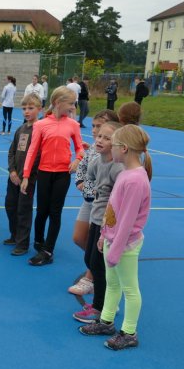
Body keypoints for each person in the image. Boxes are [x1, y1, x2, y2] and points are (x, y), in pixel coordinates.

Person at [77, 124, 152, 351]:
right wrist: (103, 235)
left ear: (124, 149)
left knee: (129, 289)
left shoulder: (135, 180)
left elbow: (127, 220)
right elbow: (113, 208)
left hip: (126, 244)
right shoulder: (125, 174)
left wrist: (116, 249)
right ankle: (106, 321)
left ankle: (129, 331)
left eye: (115, 144)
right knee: (112, 284)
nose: (112, 149)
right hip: (111, 239)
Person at [21, 86, 84, 266]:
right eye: (70, 103)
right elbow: (32, 151)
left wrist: (78, 160)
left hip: (63, 174)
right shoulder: (41, 125)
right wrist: (26, 176)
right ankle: (39, 242)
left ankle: (48, 250)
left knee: (55, 212)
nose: (73, 107)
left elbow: (80, 148)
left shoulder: (73, 124)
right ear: (58, 103)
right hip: (44, 173)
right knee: (42, 211)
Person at [73, 121, 124, 326]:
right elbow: (89, 176)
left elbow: (120, 198)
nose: (99, 140)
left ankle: (101, 307)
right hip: (96, 217)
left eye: (106, 137)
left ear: (117, 143)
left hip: (107, 223)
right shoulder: (97, 161)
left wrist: (108, 224)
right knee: (90, 259)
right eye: (99, 136)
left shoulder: (117, 168)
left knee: (98, 264)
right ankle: (102, 302)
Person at [68, 109, 118, 296]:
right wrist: (80, 182)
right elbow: (83, 167)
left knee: (99, 241)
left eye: (101, 127)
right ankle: (100, 264)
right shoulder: (93, 150)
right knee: (79, 237)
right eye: (95, 126)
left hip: (104, 205)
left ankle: (91, 277)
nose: (95, 130)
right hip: (90, 201)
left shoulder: (115, 157)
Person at [4, 94, 41, 256]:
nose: (27, 112)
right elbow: (12, 151)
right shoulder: (21, 129)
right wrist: (12, 171)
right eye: (24, 108)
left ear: (39, 109)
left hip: (28, 179)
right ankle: (14, 234)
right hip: (14, 177)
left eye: (31, 108)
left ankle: (23, 243)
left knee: (23, 210)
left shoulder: (39, 130)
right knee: (10, 205)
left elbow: (37, 156)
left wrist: (25, 175)